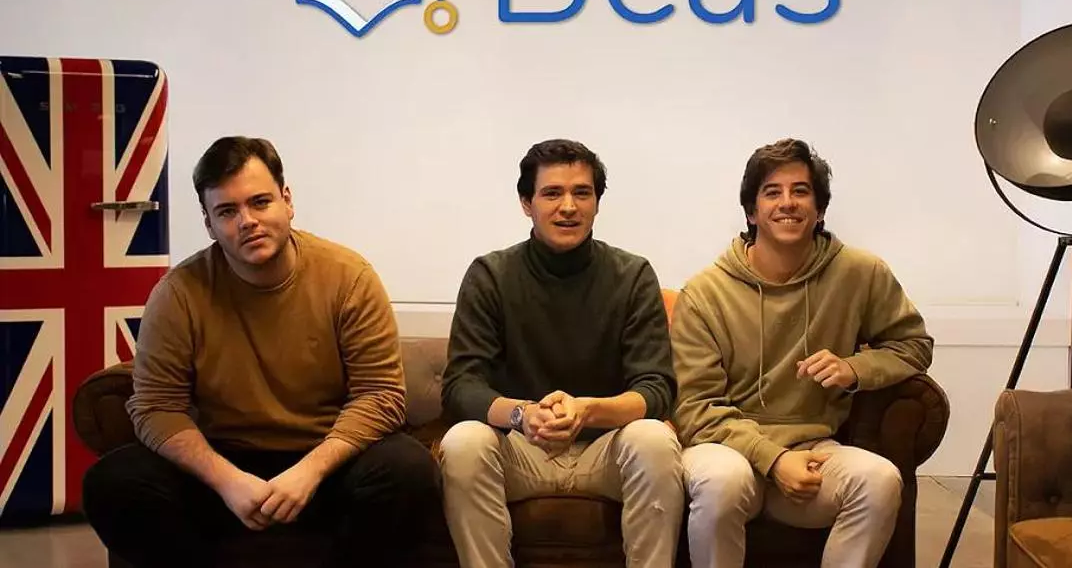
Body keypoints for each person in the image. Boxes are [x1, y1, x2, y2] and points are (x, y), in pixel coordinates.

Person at [81, 136, 440, 568]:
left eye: (260, 202)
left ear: (287, 201)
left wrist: (309, 472)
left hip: (327, 461)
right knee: (113, 481)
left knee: (407, 470)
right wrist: (227, 482)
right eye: (227, 211)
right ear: (209, 223)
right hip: (223, 463)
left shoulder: (349, 278)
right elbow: (156, 407)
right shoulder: (178, 293)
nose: (247, 221)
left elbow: (380, 394)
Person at [669, 138, 934, 568]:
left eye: (801, 191)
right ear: (751, 212)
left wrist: (854, 369)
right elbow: (695, 409)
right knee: (721, 483)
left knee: (880, 480)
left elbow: (914, 345)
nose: (787, 203)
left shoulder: (859, 273)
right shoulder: (705, 292)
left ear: (820, 209)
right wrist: (774, 460)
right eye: (772, 192)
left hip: (813, 449)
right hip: (727, 449)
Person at [437, 138, 684, 568]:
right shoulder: (490, 275)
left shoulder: (632, 275)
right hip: (521, 450)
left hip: (605, 449)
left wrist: (588, 411)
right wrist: (524, 414)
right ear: (526, 203)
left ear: (597, 203)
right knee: (463, 442)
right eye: (552, 193)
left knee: (655, 439)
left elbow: (656, 387)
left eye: (581, 193)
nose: (568, 206)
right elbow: (461, 386)